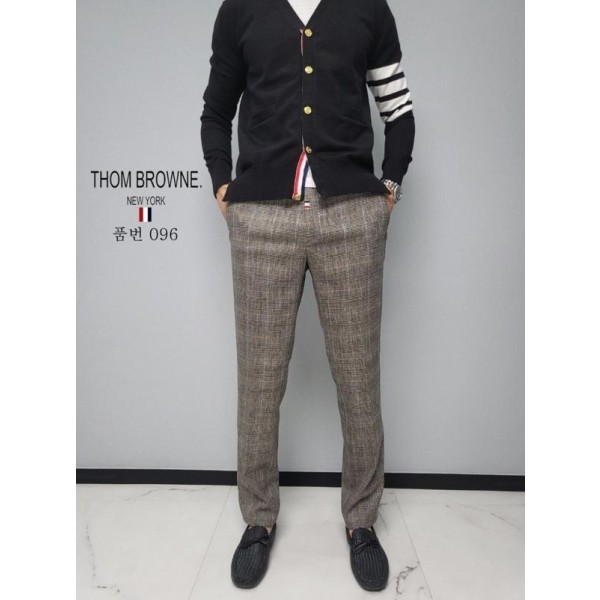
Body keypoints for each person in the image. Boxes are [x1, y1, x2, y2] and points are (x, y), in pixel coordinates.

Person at [200, 0, 415, 590]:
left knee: (358, 376)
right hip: (262, 218)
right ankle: (258, 519)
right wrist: (223, 185)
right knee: (259, 380)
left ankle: (362, 521)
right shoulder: (241, 9)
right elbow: (216, 110)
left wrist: (388, 188)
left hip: (352, 216)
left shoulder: (368, 8)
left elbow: (399, 111)